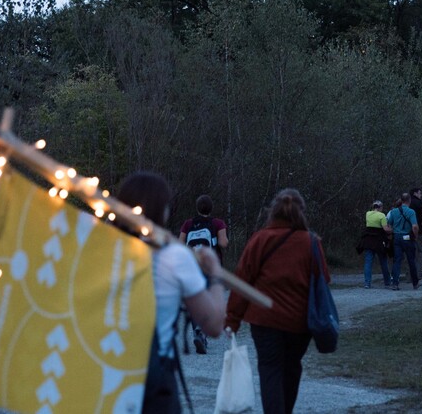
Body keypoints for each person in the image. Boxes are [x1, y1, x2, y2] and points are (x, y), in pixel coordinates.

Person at [116, 172, 226, 414]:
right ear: (161, 210)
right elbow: (214, 324)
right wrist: (215, 274)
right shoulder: (174, 258)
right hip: (154, 379)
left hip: (105, 368)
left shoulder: (100, 251)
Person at [226, 188, 330, 414]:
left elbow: (242, 281)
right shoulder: (311, 242)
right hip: (299, 323)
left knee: (270, 369)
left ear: (272, 211)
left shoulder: (260, 239)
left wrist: (232, 320)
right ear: (301, 212)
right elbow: (324, 279)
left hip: (265, 322)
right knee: (292, 368)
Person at [178, 194, 229, 354]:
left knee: (195, 298)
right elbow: (223, 243)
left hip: (192, 266)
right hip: (210, 267)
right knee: (209, 299)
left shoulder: (188, 224)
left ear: (197, 208)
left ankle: (198, 332)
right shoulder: (218, 223)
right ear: (211, 208)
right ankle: (203, 333)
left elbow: (179, 244)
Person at [387, 193, 422, 290]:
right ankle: (415, 283)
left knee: (397, 260)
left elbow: (389, 225)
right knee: (411, 260)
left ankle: (395, 283)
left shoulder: (394, 211)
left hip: (397, 237)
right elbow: (414, 226)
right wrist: (415, 236)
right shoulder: (411, 212)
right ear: (409, 200)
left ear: (401, 200)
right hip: (407, 237)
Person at [361, 200, 392, 288]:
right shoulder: (382, 215)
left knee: (368, 262)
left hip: (368, 240)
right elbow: (385, 229)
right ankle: (387, 282)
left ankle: (367, 283)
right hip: (379, 241)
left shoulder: (367, 214)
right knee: (383, 261)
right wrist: (392, 230)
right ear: (380, 207)